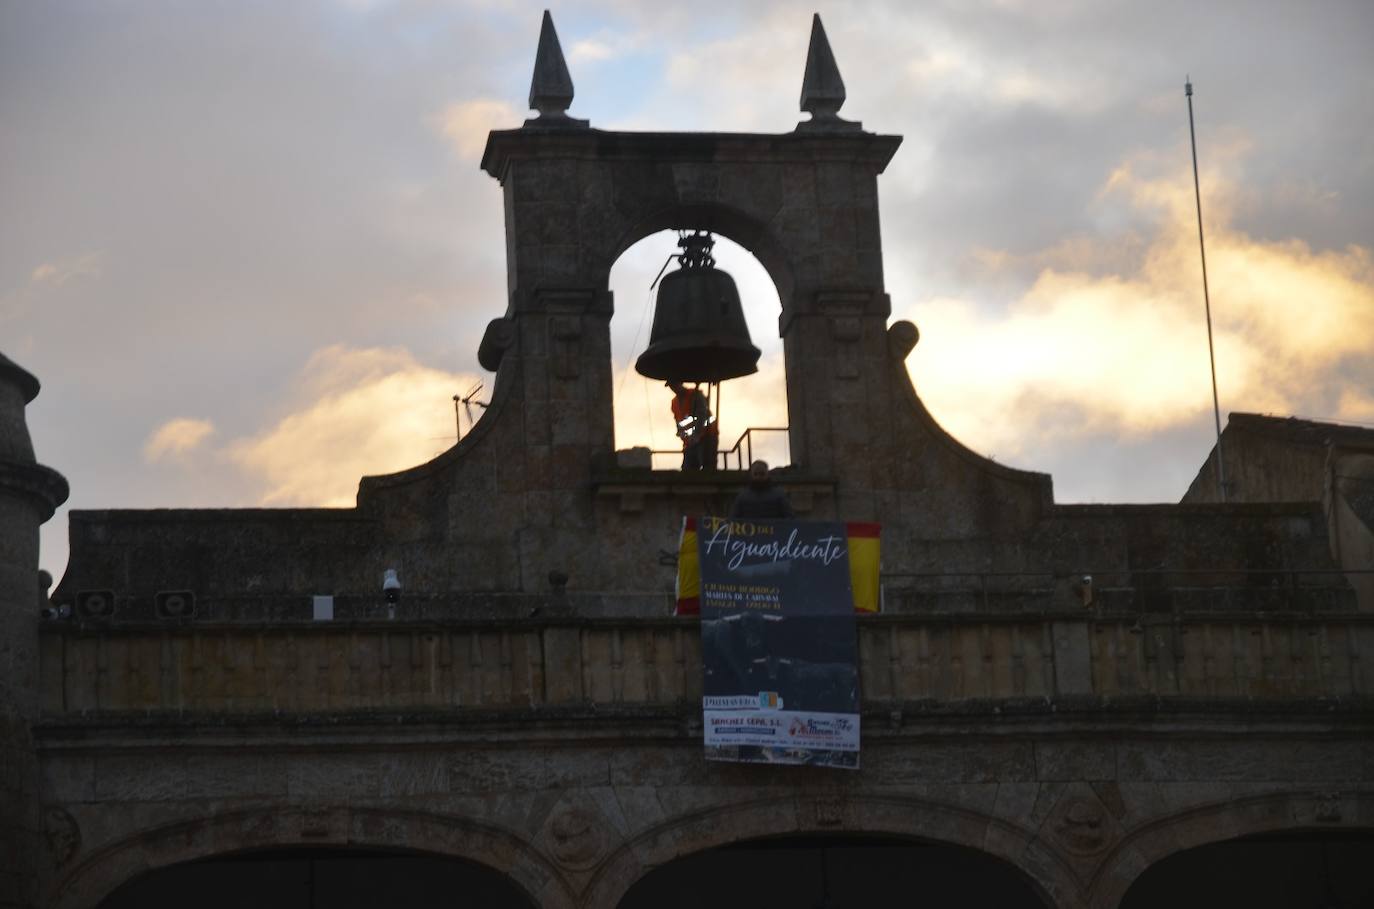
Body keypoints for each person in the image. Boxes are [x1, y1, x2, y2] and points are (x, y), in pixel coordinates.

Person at [668, 380, 718, 471]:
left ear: (680, 383)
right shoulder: (674, 403)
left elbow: (701, 416)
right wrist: (683, 436)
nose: (673, 388)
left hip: (707, 437)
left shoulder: (695, 395)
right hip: (690, 442)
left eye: (674, 385)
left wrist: (696, 435)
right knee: (688, 470)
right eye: (671, 386)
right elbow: (679, 424)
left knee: (707, 468)